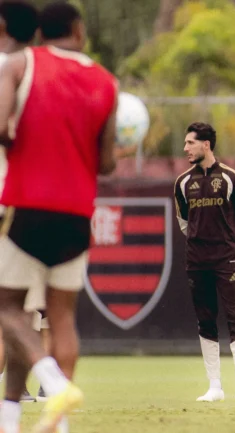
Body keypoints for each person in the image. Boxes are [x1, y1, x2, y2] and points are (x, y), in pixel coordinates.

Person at [0, 2, 121, 431]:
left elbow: (0, 126)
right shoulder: (107, 82)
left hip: (27, 205)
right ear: (79, 31)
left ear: (41, 32)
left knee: (7, 307)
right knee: (61, 316)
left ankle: (52, 383)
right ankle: (45, 422)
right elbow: (106, 163)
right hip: (77, 213)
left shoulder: (20, 64)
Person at [173, 122, 235, 403]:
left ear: (206, 145)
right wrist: (203, 241)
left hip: (226, 259)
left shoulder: (232, 178)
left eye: (190, 143)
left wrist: (226, 243)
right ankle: (214, 387)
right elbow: (184, 223)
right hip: (196, 261)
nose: (185, 148)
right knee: (205, 320)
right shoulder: (182, 182)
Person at [0, 0, 38, 401]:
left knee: (10, 307)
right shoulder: (37, 70)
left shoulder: (9, 68)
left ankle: (50, 381)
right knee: (24, 306)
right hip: (26, 200)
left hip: (9, 201)